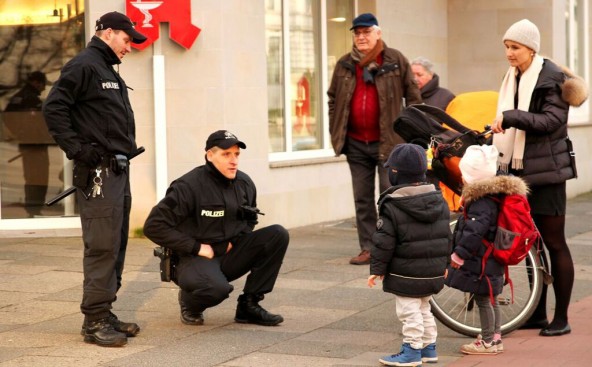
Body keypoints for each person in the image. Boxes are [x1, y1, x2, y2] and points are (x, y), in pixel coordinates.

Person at [42, 11, 147, 347]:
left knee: (116, 242)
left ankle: (106, 310)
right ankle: (94, 321)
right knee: (102, 245)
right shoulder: (84, 65)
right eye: (127, 39)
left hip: (117, 170)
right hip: (99, 171)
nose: (130, 48)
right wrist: (77, 149)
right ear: (109, 33)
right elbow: (53, 108)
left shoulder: (107, 70)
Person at [490, 19, 587, 337]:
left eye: (515, 47)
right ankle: (537, 314)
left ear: (531, 48)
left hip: (547, 174)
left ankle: (561, 318)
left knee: (555, 243)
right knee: (530, 243)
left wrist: (510, 117)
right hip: (519, 172)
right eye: (506, 46)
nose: (509, 53)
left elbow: (551, 121)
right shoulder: (514, 77)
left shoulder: (550, 79)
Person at [143, 130, 289, 328]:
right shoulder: (188, 186)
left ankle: (249, 305)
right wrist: (197, 247)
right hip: (193, 257)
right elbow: (153, 226)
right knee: (216, 290)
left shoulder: (244, 183)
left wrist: (234, 242)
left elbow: (249, 219)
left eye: (236, 154)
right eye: (226, 154)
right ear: (210, 155)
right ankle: (190, 302)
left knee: (277, 235)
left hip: (228, 251)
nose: (233, 160)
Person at [328, 13, 422, 265]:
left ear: (378, 34)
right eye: (357, 33)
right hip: (355, 143)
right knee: (362, 199)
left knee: (390, 196)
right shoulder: (345, 64)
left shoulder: (395, 60)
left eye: (366, 32)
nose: (361, 37)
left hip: (389, 143)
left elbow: (414, 99)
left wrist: (410, 135)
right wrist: (335, 129)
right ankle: (369, 248)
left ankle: (393, 247)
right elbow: (333, 99)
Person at [368, 143, 450, 366]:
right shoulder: (439, 199)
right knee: (424, 307)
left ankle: (412, 350)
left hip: (406, 273)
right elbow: (446, 236)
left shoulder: (393, 205)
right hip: (433, 271)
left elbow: (384, 242)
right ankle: (428, 347)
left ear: (396, 174)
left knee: (408, 310)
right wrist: (445, 265)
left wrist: (377, 269)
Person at [445, 145, 526, 355]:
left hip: (482, 258)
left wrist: (459, 254)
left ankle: (488, 342)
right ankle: (496, 338)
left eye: (464, 174)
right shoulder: (493, 195)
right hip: (491, 257)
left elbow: (474, 232)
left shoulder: (481, 202)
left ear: (473, 178)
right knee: (491, 297)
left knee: (483, 299)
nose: (461, 178)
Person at [4, 71, 50, 217]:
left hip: (31, 143)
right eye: (43, 85)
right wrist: (24, 134)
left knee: (32, 176)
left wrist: (19, 135)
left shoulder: (19, 98)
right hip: (34, 145)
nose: (43, 89)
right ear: (37, 82)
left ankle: (33, 209)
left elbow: (8, 118)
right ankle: (34, 209)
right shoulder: (29, 99)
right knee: (38, 177)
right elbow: (10, 118)